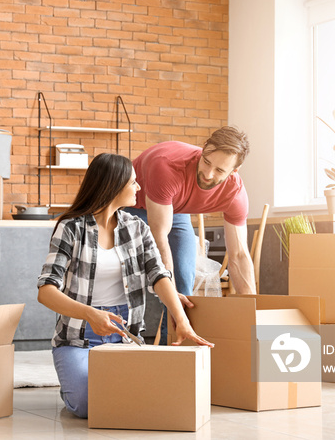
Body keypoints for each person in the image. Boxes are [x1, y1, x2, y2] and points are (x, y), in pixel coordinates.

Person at [37, 153, 212, 419]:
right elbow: (46, 290)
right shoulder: (71, 228)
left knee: (156, 398)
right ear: (113, 185)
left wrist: (181, 319)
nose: (139, 188)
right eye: (133, 182)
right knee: (87, 404)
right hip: (78, 339)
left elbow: (159, 274)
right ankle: (72, 386)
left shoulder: (137, 228)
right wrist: (90, 313)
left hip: (124, 338)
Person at [125, 126, 254, 342]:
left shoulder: (235, 194)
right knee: (133, 278)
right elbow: (160, 239)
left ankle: (174, 350)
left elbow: (240, 255)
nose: (208, 174)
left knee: (184, 283)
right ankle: (119, 346)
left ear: (235, 170)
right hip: (133, 205)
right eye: (206, 162)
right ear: (204, 149)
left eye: (220, 171)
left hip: (174, 209)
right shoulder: (167, 166)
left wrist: (253, 316)